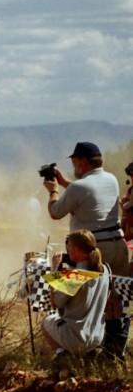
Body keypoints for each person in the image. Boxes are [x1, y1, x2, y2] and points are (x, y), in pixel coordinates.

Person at [44, 141, 129, 357]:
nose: (73, 165)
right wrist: (66, 184)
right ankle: (115, 351)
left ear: (82, 162)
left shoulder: (78, 187)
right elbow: (89, 194)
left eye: (74, 162)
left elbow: (56, 212)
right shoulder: (110, 180)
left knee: (84, 301)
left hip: (93, 247)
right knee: (116, 301)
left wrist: (53, 191)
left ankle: (76, 347)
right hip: (118, 246)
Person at [42, 230, 110, 358]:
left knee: (46, 321)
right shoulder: (105, 269)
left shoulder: (76, 276)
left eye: (70, 246)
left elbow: (55, 303)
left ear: (78, 249)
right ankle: (87, 354)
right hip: (97, 337)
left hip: (76, 337)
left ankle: (63, 356)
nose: (67, 248)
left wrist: (54, 270)